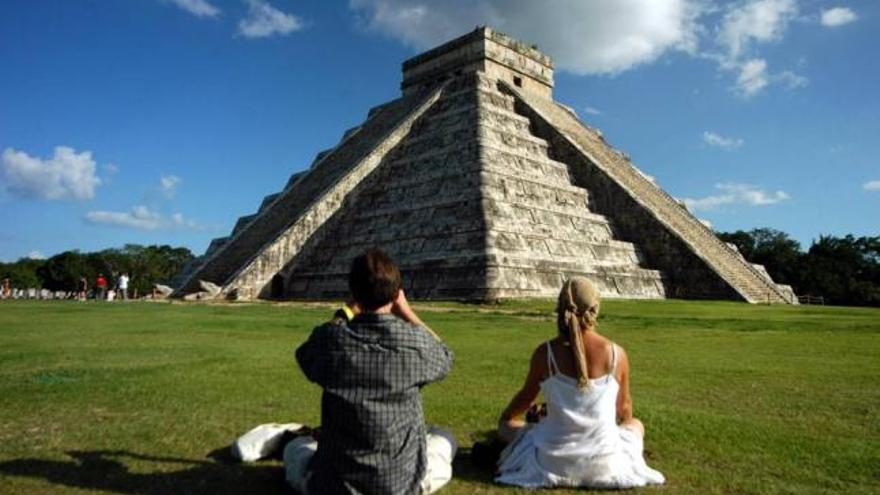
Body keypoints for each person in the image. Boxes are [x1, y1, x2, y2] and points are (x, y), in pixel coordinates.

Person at [286, 249, 456, 495]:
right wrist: (407, 312)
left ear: (354, 294)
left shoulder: (331, 340)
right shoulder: (415, 343)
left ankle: (297, 436)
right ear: (397, 294)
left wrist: (344, 313)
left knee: (296, 449)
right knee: (443, 438)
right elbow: (445, 354)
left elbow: (305, 354)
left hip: (335, 487)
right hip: (400, 485)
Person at [495, 276, 665, 489]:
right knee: (636, 424)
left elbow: (525, 397)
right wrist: (618, 431)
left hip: (552, 462)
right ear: (596, 308)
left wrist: (507, 416)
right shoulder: (616, 354)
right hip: (605, 463)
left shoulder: (545, 353)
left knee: (508, 428)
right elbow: (624, 408)